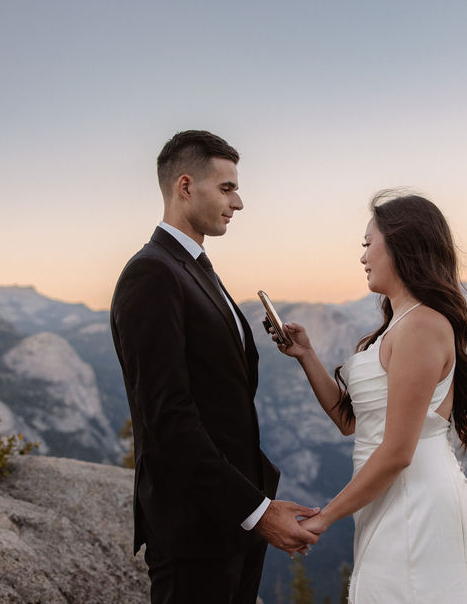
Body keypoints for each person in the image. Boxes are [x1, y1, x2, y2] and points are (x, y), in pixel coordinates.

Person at [110, 130, 321, 604]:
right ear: (185, 186)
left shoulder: (195, 267)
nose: (239, 202)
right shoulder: (152, 274)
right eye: (227, 188)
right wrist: (258, 512)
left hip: (230, 524)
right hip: (192, 534)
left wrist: (256, 504)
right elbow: (169, 418)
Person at [269, 191, 467, 603]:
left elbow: (396, 452)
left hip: (415, 498)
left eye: (368, 244)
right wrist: (306, 356)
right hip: (387, 497)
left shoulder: (422, 325)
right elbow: (352, 422)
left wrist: (323, 518)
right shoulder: (400, 325)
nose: (363, 257)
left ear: (401, 244)